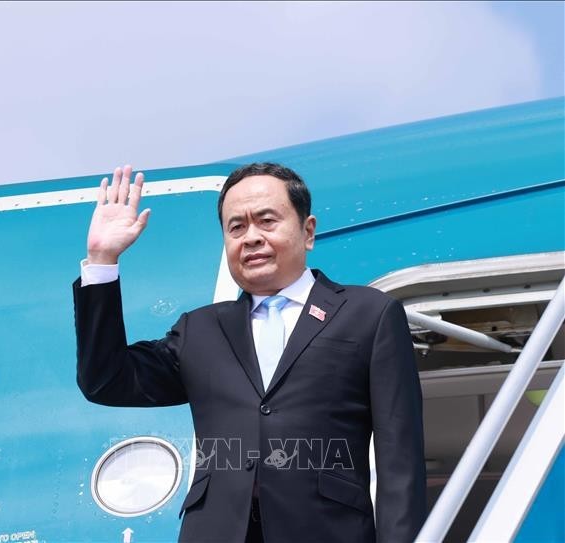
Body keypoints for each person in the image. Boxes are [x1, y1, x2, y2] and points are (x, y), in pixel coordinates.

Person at [73, 162, 426, 543]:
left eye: (267, 221)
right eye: (236, 227)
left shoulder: (368, 314)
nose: (251, 237)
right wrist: (102, 262)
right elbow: (106, 381)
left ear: (308, 231)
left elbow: (400, 462)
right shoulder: (201, 330)